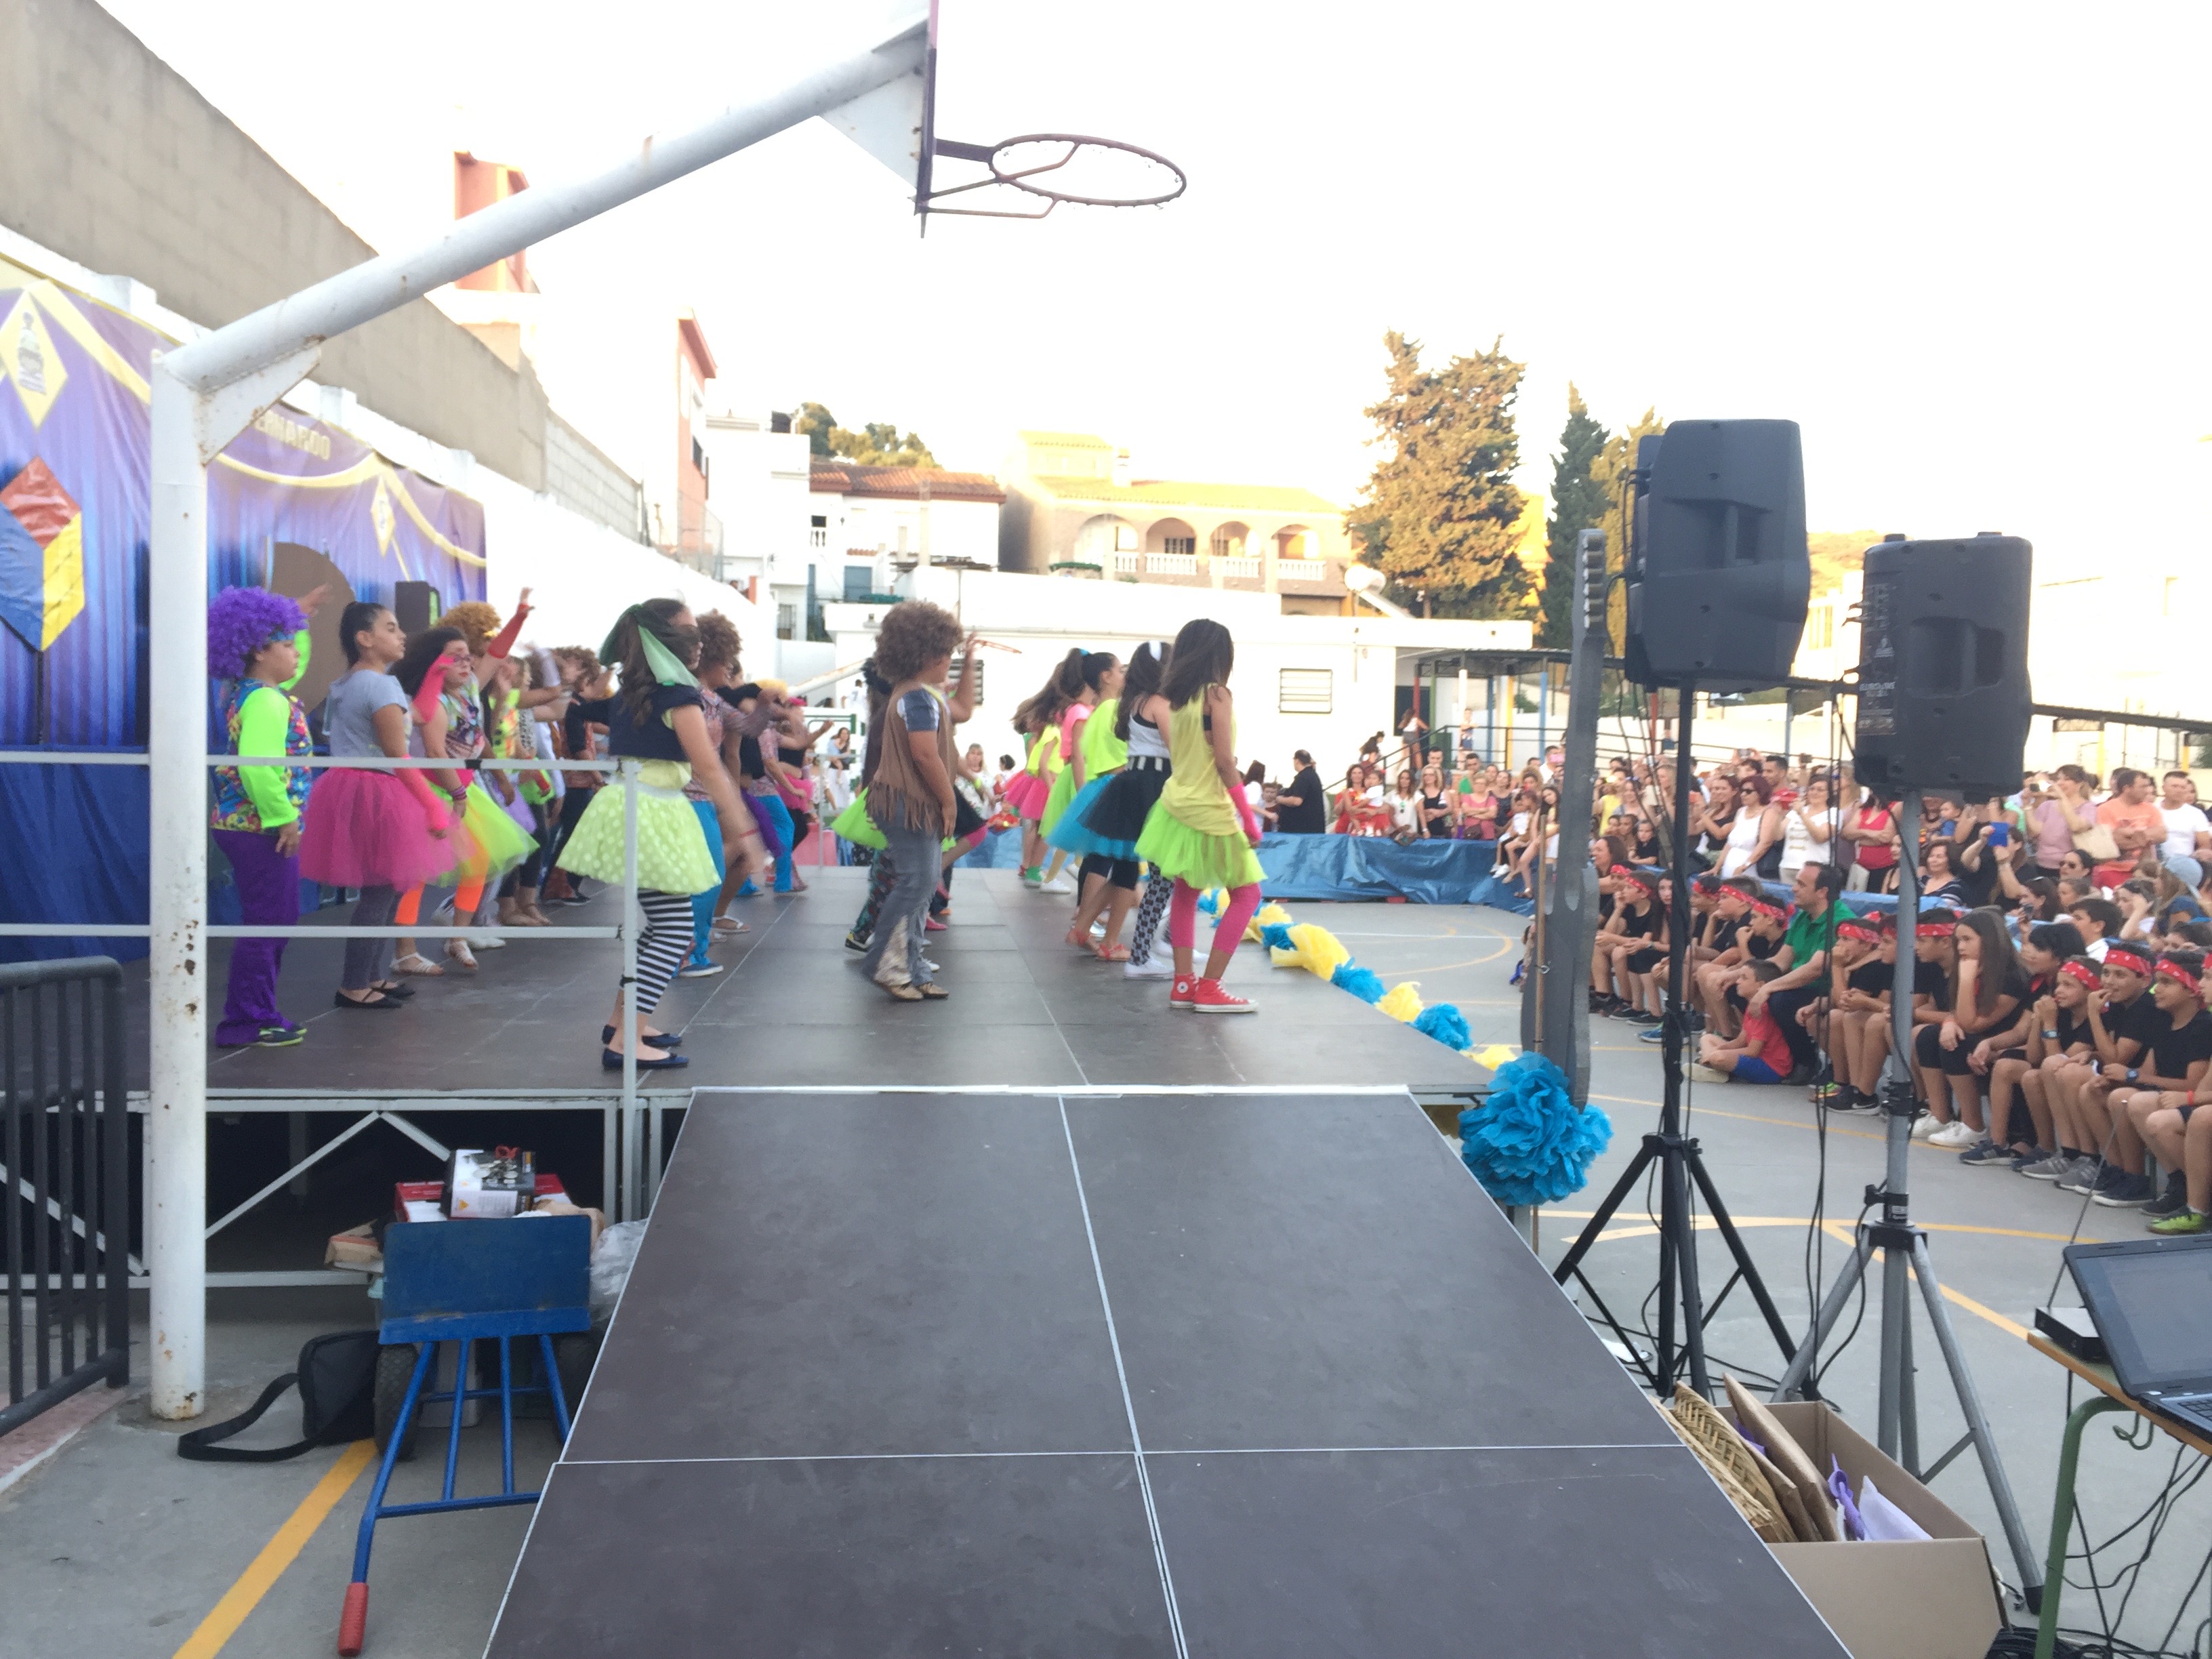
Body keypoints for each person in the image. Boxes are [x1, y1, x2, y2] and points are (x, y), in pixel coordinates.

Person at [555, 600, 762, 1065]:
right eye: (688, 632)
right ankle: (625, 1041)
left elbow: (578, 712)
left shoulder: (637, 692)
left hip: (642, 807)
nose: (698, 641)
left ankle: (623, 1024)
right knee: (674, 929)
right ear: (661, 639)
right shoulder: (677, 697)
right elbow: (709, 768)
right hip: (650, 812)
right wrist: (746, 832)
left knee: (663, 926)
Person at [298, 601, 457, 1010]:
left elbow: (417, 715)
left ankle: (370, 975)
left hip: (351, 786)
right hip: (377, 790)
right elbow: (396, 755)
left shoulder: (349, 683)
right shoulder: (380, 686)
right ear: (364, 639)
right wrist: (433, 806)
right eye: (391, 627)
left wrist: (436, 674)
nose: (401, 635)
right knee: (380, 892)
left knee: (384, 889)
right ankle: (355, 983)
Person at [207, 586, 323, 1047]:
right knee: (269, 921)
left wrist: (299, 610)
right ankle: (246, 1020)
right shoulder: (266, 700)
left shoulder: (252, 694)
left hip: (252, 827)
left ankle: (258, 1012)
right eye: (288, 644)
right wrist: (283, 819)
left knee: (275, 918)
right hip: (260, 829)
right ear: (259, 650)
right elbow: (257, 767)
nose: (297, 653)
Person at [1133, 618, 1267, 1013]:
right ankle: (1210, 986)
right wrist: (1248, 817)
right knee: (1247, 894)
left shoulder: (1175, 699)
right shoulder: (1217, 695)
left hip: (1176, 805)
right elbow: (1225, 762)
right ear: (1220, 655)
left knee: (1186, 893)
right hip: (1210, 809)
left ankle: (1183, 983)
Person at [859, 600, 968, 1000]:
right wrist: (949, 801)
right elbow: (925, 754)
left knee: (921, 885)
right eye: (947, 652)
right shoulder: (918, 698)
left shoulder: (912, 694)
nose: (949, 660)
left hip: (908, 802)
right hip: (910, 803)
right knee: (917, 883)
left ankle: (912, 968)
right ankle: (886, 965)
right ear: (927, 654)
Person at [1054, 642, 1173, 970]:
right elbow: (1175, 749)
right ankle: (1108, 941)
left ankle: (1084, 926)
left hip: (1123, 785)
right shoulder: (1149, 705)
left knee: (1120, 867)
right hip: (1141, 785)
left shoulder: (1125, 705)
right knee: (1125, 868)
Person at [1692, 960, 1795, 1084]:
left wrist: (1718, 1053)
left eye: (1744, 978)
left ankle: (1711, 1064)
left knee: (1718, 1057)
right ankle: (1712, 1066)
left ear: (1761, 985)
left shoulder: (1762, 1010)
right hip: (1757, 1058)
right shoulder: (1752, 1006)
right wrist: (1720, 1048)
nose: (1737, 981)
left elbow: (1753, 1051)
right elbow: (1740, 1041)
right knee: (1707, 1038)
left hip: (1772, 1068)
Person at [2093, 769, 2163, 891]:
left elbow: (2162, 835)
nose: (2148, 791)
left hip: (2145, 871)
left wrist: (2129, 834)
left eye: (2148, 786)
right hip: (2112, 870)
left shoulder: (2152, 809)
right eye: (2143, 787)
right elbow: (2110, 841)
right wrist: (2145, 839)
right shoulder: (2105, 809)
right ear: (2127, 788)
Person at [2157, 771, 2212, 863]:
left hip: (2185, 864)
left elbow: (2204, 845)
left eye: (2183, 787)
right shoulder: (2152, 810)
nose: (2179, 790)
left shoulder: (2196, 814)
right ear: (2164, 788)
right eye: (2174, 786)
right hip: (2155, 865)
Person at [1275, 749, 1325, 834]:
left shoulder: (1303, 777)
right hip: (1312, 829)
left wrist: (1279, 799)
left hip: (1301, 831)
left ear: (1297, 761)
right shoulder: (1312, 775)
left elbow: (1297, 801)